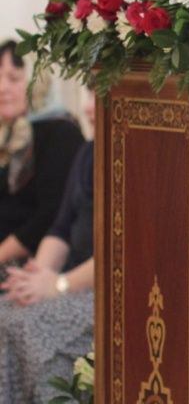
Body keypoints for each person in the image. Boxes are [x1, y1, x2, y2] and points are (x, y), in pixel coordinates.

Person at [0, 90, 95, 402]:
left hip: (101, 289)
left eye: (99, 97)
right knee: (8, 310)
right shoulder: (87, 153)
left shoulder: (135, 156)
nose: (88, 108)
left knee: (28, 324)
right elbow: (61, 227)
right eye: (89, 95)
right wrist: (36, 278)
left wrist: (58, 285)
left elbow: (121, 251)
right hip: (68, 279)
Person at [0, 41, 83, 266]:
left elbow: (50, 215)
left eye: (14, 79)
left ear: (37, 82)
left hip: (37, 264)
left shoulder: (61, 131)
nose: (2, 88)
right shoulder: (7, 132)